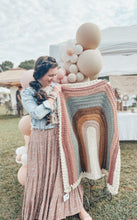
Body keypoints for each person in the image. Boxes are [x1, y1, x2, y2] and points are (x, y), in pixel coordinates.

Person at [21, 56, 92, 220]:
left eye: (55, 75)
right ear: (39, 73)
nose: (54, 79)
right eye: (50, 75)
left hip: (60, 136)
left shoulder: (57, 87)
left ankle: (78, 207)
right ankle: (48, 209)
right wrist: (52, 97)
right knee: (43, 175)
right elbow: (37, 114)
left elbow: (73, 102)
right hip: (41, 139)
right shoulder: (28, 92)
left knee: (66, 172)